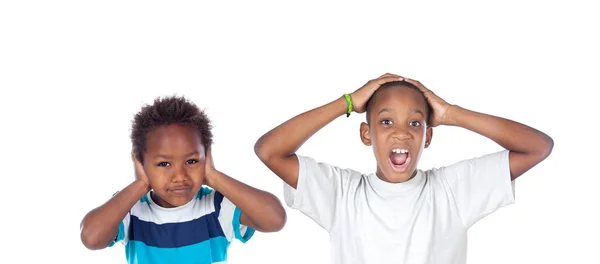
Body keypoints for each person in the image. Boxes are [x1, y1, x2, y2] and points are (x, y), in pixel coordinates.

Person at [254, 73, 553, 264]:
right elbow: (269, 151)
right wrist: (346, 102)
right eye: (386, 121)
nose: (402, 133)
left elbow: (538, 146)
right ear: (366, 134)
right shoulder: (341, 194)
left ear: (428, 136)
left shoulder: (453, 190)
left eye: (415, 123)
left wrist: (451, 113)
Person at [80, 95, 286, 264]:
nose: (180, 176)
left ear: (207, 156)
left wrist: (213, 176)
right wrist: (141, 184)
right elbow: (91, 238)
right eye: (164, 164)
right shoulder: (131, 208)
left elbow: (274, 219)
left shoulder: (216, 207)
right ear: (140, 162)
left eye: (191, 161)